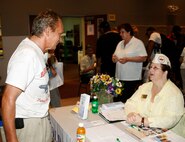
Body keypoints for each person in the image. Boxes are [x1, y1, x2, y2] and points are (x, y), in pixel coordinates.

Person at [1, 9, 64, 142]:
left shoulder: (38, 51)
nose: (60, 39)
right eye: (59, 34)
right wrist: (11, 138)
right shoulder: (27, 55)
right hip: (29, 125)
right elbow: (7, 99)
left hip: (39, 118)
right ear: (47, 31)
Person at [124, 53, 185, 136]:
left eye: (155, 68)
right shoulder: (145, 87)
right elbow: (131, 102)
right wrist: (131, 113)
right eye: (151, 67)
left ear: (165, 73)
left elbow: (170, 119)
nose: (151, 70)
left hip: (170, 135)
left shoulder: (175, 94)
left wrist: (144, 121)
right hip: (145, 132)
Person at [112, 23, 147, 103]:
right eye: (120, 32)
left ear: (129, 32)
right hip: (119, 77)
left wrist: (128, 59)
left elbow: (144, 58)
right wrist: (114, 58)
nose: (120, 34)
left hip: (131, 77)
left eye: (122, 32)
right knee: (117, 100)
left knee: (126, 101)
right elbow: (114, 56)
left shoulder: (138, 43)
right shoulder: (120, 43)